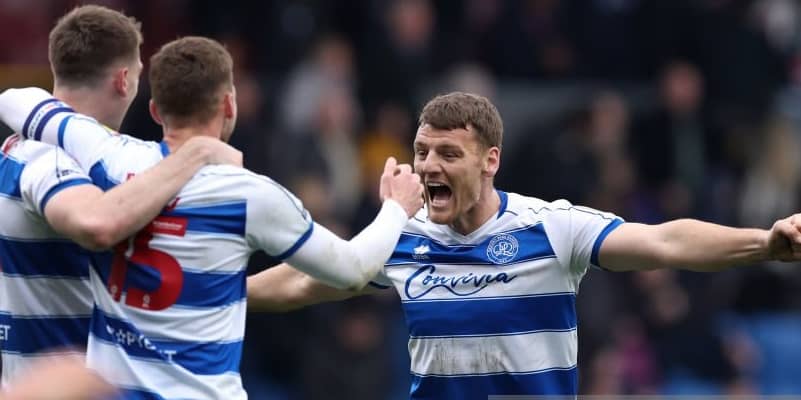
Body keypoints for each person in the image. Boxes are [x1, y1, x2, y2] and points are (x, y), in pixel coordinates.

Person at [244, 92, 801, 399]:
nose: (429, 166)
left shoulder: (551, 226)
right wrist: (218, 292)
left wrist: (764, 243)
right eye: (422, 152)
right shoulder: (403, 237)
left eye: (449, 154)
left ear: (491, 161)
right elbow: (305, 281)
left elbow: (665, 241)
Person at [0, 36, 423, 399]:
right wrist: (396, 207)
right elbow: (350, 269)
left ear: (155, 111)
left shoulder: (110, 158)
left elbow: (15, 100)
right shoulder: (250, 195)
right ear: (229, 105)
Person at [0, 5, 240, 387]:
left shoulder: (20, 148)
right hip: (64, 387)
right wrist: (196, 153)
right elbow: (96, 224)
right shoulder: (50, 161)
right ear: (124, 80)